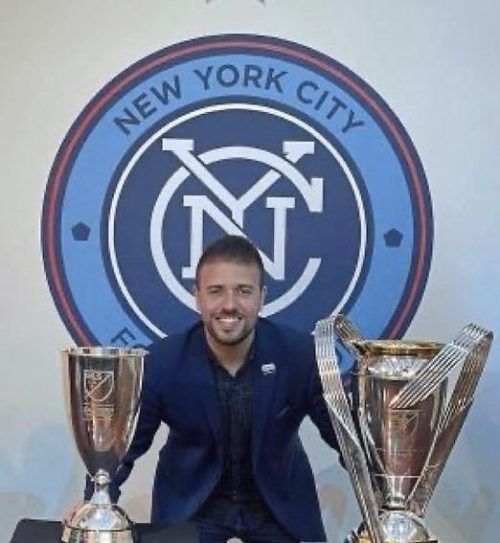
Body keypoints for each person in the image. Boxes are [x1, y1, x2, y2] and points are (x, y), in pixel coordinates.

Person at [105, 235, 342, 542]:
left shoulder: (301, 356)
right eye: (216, 291)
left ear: (262, 297)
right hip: (192, 506)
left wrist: (386, 496)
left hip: (278, 507)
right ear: (197, 296)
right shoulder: (162, 362)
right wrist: (98, 499)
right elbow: (125, 447)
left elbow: (344, 440)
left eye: (244, 291)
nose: (229, 305)